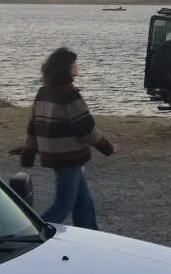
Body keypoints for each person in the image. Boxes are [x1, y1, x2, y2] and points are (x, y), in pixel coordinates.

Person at [20, 47, 117, 230]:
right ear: (67, 68)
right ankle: (31, 232)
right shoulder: (69, 95)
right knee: (63, 205)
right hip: (68, 157)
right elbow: (86, 130)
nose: (77, 66)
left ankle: (90, 235)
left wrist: (28, 153)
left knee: (83, 202)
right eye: (74, 64)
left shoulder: (43, 92)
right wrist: (109, 148)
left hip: (55, 155)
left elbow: (33, 126)